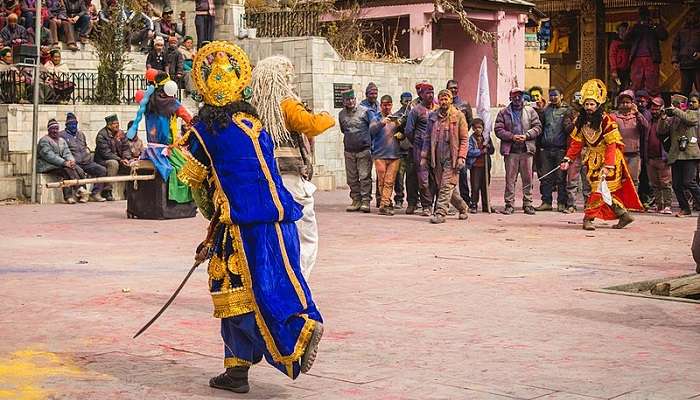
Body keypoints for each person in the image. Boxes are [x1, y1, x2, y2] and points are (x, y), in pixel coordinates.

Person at [176, 41, 323, 393]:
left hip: (242, 227)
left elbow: (197, 190)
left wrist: (211, 222)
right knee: (280, 283)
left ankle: (295, 337)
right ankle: (237, 370)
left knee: (236, 296)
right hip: (281, 218)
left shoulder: (201, 132)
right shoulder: (253, 123)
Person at [250, 55, 335, 280]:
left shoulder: (254, 107)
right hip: (289, 177)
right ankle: (299, 280)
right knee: (305, 232)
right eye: (288, 74)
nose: (292, 78)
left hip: (266, 175)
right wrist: (327, 117)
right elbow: (311, 124)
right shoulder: (287, 104)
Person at [560, 79, 643, 230]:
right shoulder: (580, 120)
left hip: (609, 159)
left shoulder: (607, 120)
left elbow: (612, 144)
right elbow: (576, 143)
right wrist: (568, 159)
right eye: (586, 104)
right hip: (592, 159)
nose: (589, 107)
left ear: (598, 105)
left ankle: (588, 218)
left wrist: (608, 165)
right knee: (602, 189)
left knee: (598, 189)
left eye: (592, 104)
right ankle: (623, 215)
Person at [422, 89, 469, 223]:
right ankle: (462, 207)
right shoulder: (432, 117)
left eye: (446, 99)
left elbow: (464, 139)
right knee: (447, 187)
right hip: (437, 158)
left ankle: (440, 213)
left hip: (452, 158)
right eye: (441, 99)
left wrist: (462, 157)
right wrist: (424, 157)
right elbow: (426, 138)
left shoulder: (459, 116)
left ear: (451, 100)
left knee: (446, 185)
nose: (444, 101)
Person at [495, 87, 542, 215]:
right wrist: (512, 137)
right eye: (514, 96)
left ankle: (528, 203)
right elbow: (498, 129)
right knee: (510, 179)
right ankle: (509, 204)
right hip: (511, 151)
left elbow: (538, 127)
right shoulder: (503, 112)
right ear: (510, 97)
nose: (517, 98)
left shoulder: (530, 111)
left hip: (527, 151)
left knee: (528, 179)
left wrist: (527, 135)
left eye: (519, 96)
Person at [657, 93, 700, 217]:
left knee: (688, 182)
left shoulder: (693, 113)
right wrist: (663, 118)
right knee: (676, 184)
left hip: (689, 154)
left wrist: (675, 110)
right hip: (676, 154)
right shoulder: (674, 117)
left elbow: (690, 120)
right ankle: (685, 208)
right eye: (674, 104)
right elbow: (661, 131)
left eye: (693, 102)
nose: (691, 104)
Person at [535, 87, 572, 212]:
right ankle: (546, 202)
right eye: (551, 95)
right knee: (545, 177)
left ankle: (561, 203)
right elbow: (540, 128)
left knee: (561, 178)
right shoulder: (545, 111)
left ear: (561, 95)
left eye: (555, 95)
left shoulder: (568, 111)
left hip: (561, 149)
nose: (553, 98)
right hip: (545, 149)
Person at [37, 119, 90, 203]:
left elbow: (67, 152)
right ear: (49, 130)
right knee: (66, 171)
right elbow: (50, 156)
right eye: (53, 129)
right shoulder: (44, 141)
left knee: (78, 169)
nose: (55, 131)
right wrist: (64, 163)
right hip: (47, 165)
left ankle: (82, 193)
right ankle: (70, 195)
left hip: (59, 164)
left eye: (56, 129)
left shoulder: (61, 140)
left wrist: (71, 161)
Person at [59, 113, 107, 202]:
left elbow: (85, 146)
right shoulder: (62, 135)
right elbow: (62, 151)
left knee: (102, 170)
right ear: (67, 125)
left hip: (87, 162)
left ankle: (96, 193)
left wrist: (88, 154)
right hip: (74, 162)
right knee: (78, 171)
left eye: (75, 124)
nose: (73, 126)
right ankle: (82, 195)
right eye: (71, 124)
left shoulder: (81, 134)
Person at [405, 82, 437, 216]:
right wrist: (418, 142)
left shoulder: (438, 109)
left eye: (432, 92)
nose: (430, 95)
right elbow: (408, 131)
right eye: (427, 93)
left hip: (436, 150)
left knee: (435, 178)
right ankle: (426, 205)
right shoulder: (416, 111)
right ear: (421, 95)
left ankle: (434, 204)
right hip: (420, 149)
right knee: (422, 179)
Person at [339, 89, 372, 213]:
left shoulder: (364, 112)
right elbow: (344, 130)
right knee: (351, 178)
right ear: (344, 101)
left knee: (364, 176)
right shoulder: (341, 114)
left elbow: (372, 128)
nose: (351, 101)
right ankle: (356, 200)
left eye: (352, 99)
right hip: (349, 150)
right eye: (347, 99)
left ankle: (365, 201)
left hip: (363, 149)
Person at [370, 94, 402, 216]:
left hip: (394, 154)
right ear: (381, 105)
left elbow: (404, 133)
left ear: (392, 105)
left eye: (389, 105)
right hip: (379, 155)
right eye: (384, 105)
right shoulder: (376, 117)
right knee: (382, 180)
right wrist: (381, 123)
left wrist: (400, 130)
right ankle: (386, 203)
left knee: (389, 181)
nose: (387, 107)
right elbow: (371, 131)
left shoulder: (396, 118)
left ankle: (384, 204)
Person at [625, 7, 668, 96]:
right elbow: (626, 38)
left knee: (651, 82)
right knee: (636, 83)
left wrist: (654, 26)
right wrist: (633, 27)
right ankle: (636, 102)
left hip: (651, 58)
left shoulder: (653, 26)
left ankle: (653, 104)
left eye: (645, 15)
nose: (643, 18)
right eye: (641, 15)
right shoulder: (636, 27)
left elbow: (664, 36)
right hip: (637, 57)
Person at [613, 89, 650, 191]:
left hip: (634, 155)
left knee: (634, 181)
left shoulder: (636, 117)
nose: (625, 105)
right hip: (618, 154)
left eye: (627, 102)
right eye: (622, 102)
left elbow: (646, 127)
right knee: (618, 180)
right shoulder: (613, 117)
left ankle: (633, 205)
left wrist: (637, 113)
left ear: (632, 103)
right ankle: (620, 204)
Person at [447, 79, 473, 208]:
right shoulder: (443, 104)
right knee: (446, 176)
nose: (454, 90)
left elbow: (470, 122)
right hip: (446, 145)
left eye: (455, 88)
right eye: (451, 88)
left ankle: (465, 200)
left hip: (460, 144)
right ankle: (446, 202)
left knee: (462, 173)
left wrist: (460, 135)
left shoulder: (464, 104)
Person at [645, 96, 673, 214]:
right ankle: (659, 205)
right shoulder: (649, 121)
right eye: (653, 107)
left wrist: (663, 117)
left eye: (657, 107)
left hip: (663, 157)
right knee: (654, 183)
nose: (654, 110)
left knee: (665, 183)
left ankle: (667, 205)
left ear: (662, 108)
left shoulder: (667, 121)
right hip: (651, 157)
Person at [94, 114, 132, 200]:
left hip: (120, 159)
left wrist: (126, 158)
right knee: (113, 164)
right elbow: (106, 153)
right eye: (115, 123)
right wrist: (120, 159)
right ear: (109, 125)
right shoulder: (101, 135)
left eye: (118, 123)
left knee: (133, 165)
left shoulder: (121, 133)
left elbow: (126, 148)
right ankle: (107, 191)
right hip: (103, 160)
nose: (117, 125)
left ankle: (130, 191)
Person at [466, 118, 494, 213]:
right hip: (475, 166)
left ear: (483, 128)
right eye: (476, 128)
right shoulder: (471, 139)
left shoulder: (486, 138)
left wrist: (488, 146)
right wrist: (481, 151)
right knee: (475, 186)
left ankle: (486, 205)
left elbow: (492, 151)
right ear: (473, 129)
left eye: (480, 127)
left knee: (485, 185)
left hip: (485, 166)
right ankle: (474, 204)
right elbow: (469, 152)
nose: (478, 129)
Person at [672, 10, 700, 96]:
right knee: (684, 91)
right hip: (684, 64)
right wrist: (675, 60)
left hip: (698, 64)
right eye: (690, 15)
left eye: (694, 15)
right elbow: (675, 46)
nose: (691, 17)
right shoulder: (682, 30)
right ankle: (684, 109)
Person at [392, 92, 412, 209]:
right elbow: (393, 131)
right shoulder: (397, 115)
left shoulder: (415, 113)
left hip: (412, 149)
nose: (408, 103)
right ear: (401, 101)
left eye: (409, 100)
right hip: (400, 150)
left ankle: (413, 200)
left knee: (412, 178)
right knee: (399, 177)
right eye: (405, 100)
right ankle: (399, 199)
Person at [609, 22, 631, 96]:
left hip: (627, 70)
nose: (622, 33)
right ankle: (614, 105)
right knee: (616, 90)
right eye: (621, 30)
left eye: (624, 30)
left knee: (626, 90)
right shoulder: (615, 43)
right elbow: (612, 56)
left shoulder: (629, 43)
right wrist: (614, 70)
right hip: (618, 70)